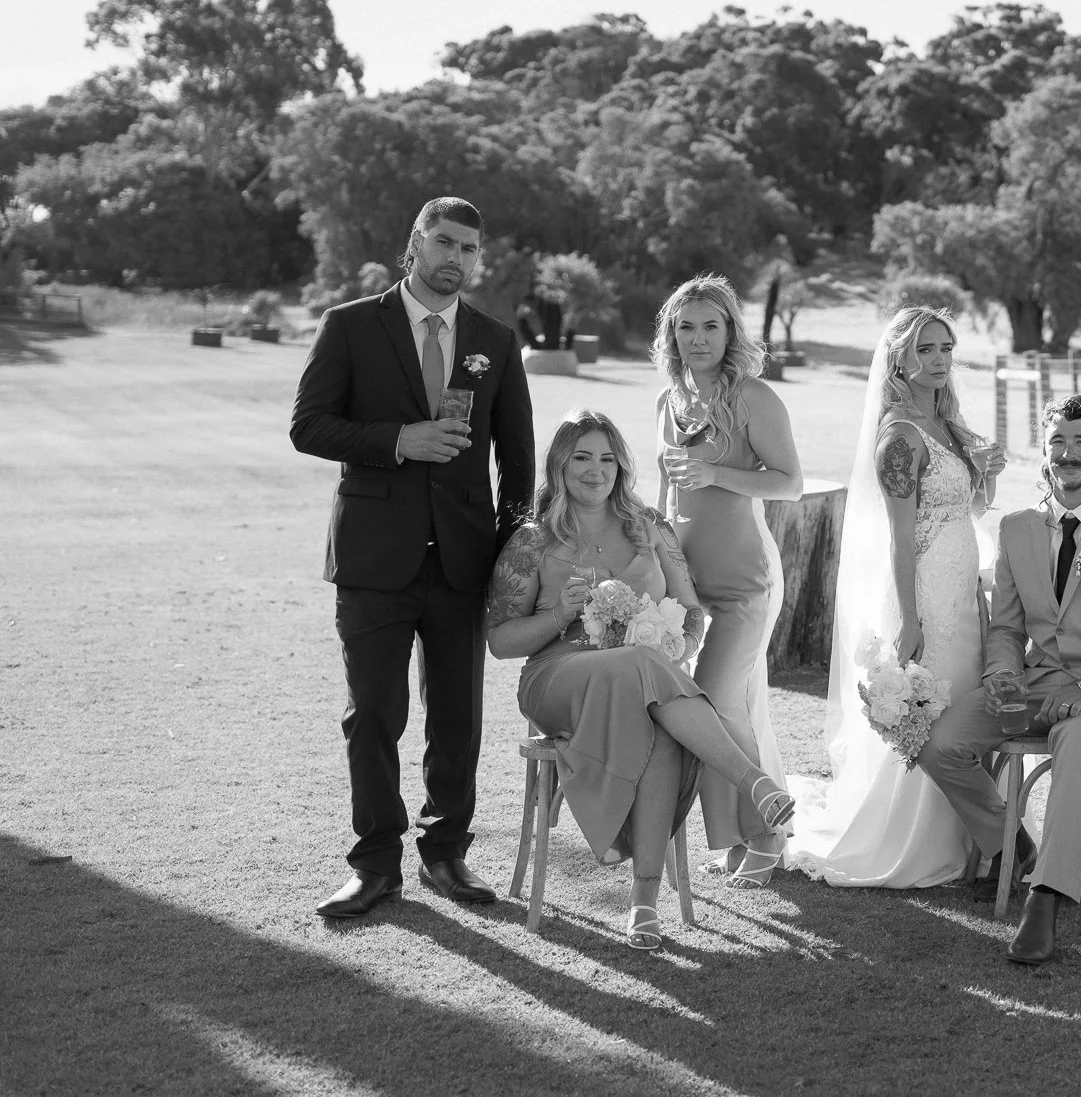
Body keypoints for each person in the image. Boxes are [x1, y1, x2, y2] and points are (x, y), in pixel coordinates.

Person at [290, 196, 535, 919]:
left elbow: (517, 458)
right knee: (372, 714)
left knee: (457, 719)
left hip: (464, 562)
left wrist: (512, 546)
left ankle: (445, 852)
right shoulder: (349, 325)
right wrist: (400, 440)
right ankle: (374, 865)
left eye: (469, 247)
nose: (456, 257)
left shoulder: (495, 339)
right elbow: (309, 425)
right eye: (444, 242)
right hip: (374, 559)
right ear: (415, 244)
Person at [485, 411, 795, 948]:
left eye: (607, 458)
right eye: (582, 457)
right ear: (559, 466)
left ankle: (643, 904)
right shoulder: (533, 540)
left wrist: (680, 645)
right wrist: (560, 614)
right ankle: (753, 782)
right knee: (643, 667)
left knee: (659, 730)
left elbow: (692, 611)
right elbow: (499, 641)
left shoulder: (649, 526)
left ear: (622, 467)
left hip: (644, 683)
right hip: (558, 678)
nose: (596, 470)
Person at [918, 395, 1081, 966]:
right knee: (940, 743)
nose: (1068, 452)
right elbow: (1007, 627)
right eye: (1058, 440)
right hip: (1038, 681)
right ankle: (1013, 845)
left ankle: (1046, 899)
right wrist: (1002, 672)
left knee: (1075, 736)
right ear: (1044, 449)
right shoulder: (1017, 529)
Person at [782, 307, 1007, 887]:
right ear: (899, 361)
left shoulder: (947, 424)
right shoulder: (900, 437)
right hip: (925, 598)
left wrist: (987, 475)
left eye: (945, 348)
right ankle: (918, 842)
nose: (938, 360)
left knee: (961, 715)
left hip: (963, 596)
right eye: (924, 350)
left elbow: (967, 511)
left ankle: (984, 843)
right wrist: (910, 619)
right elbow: (900, 539)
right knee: (929, 717)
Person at [652, 275, 802, 888]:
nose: (698, 338)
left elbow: (790, 482)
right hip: (686, 586)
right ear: (671, 335)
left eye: (710, 326)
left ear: (730, 331)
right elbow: (664, 495)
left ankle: (766, 835)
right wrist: (656, 568)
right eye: (685, 326)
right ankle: (732, 840)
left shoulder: (754, 397)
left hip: (745, 582)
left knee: (715, 701)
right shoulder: (668, 400)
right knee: (708, 708)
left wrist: (717, 473)